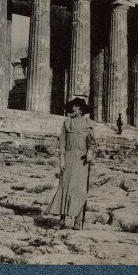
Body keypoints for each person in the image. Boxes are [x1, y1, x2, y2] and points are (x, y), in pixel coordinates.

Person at [46, 97, 96, 230]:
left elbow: (92, 143)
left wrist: (90, 152)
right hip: (68, 157)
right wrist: (61, 159)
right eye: (72, 106)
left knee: (78, 189)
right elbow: (62, 143)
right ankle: (61, 220)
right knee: (64, 187)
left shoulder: (88, 123)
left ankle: (77, 220)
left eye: (75, 106)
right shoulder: (66, 123)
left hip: (81, 160)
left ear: (81, 109)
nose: (72, 108)